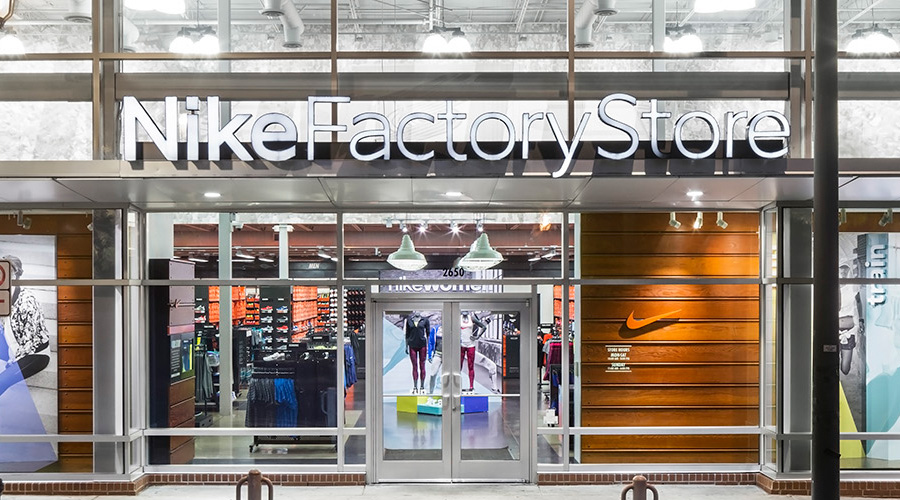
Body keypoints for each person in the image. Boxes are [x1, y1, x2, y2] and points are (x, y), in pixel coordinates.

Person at [0, 255, 51, 398]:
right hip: (12, 346)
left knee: (1, 381)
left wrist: (13, 361)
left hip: (34, 354)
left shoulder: (27, 301)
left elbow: (33, 342)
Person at [460, 311, 486, 392]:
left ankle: (471, 386)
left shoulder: (472, 318)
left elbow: (483, 327)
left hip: (470, 344)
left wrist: (477, 337)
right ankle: (458, 385)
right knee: (459, 366)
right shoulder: (458, 319)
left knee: (470, 366)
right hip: (461, 344)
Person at [405, 312, 429, 394]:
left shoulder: (425, 320)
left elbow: (428, 334)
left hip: (422, 345)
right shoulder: (409, 320)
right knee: (414, 366)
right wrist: (406, 346)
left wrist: (429, 347)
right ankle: (415, 386)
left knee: (422, 365)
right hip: (412, 345)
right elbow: (407, 334)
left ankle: (422, 386)